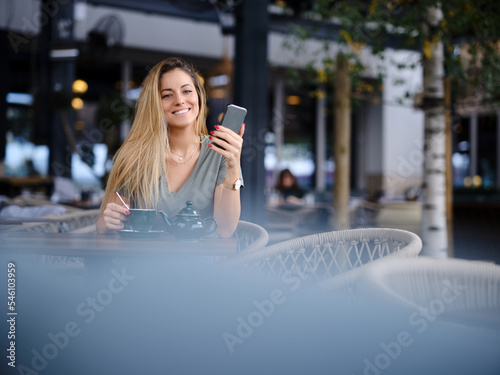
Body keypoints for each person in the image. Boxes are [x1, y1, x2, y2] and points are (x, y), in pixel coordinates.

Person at [96, 57, 244, 237]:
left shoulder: (220, 154)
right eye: (167, 95)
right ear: (155, 104)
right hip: (144, 262)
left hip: (203, 264)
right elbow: (103, 226)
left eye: (187, 91)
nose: (180, 100)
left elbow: (225, 230)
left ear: (198, 95)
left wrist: (234, 166)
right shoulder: (135, 156)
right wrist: (108, 222)